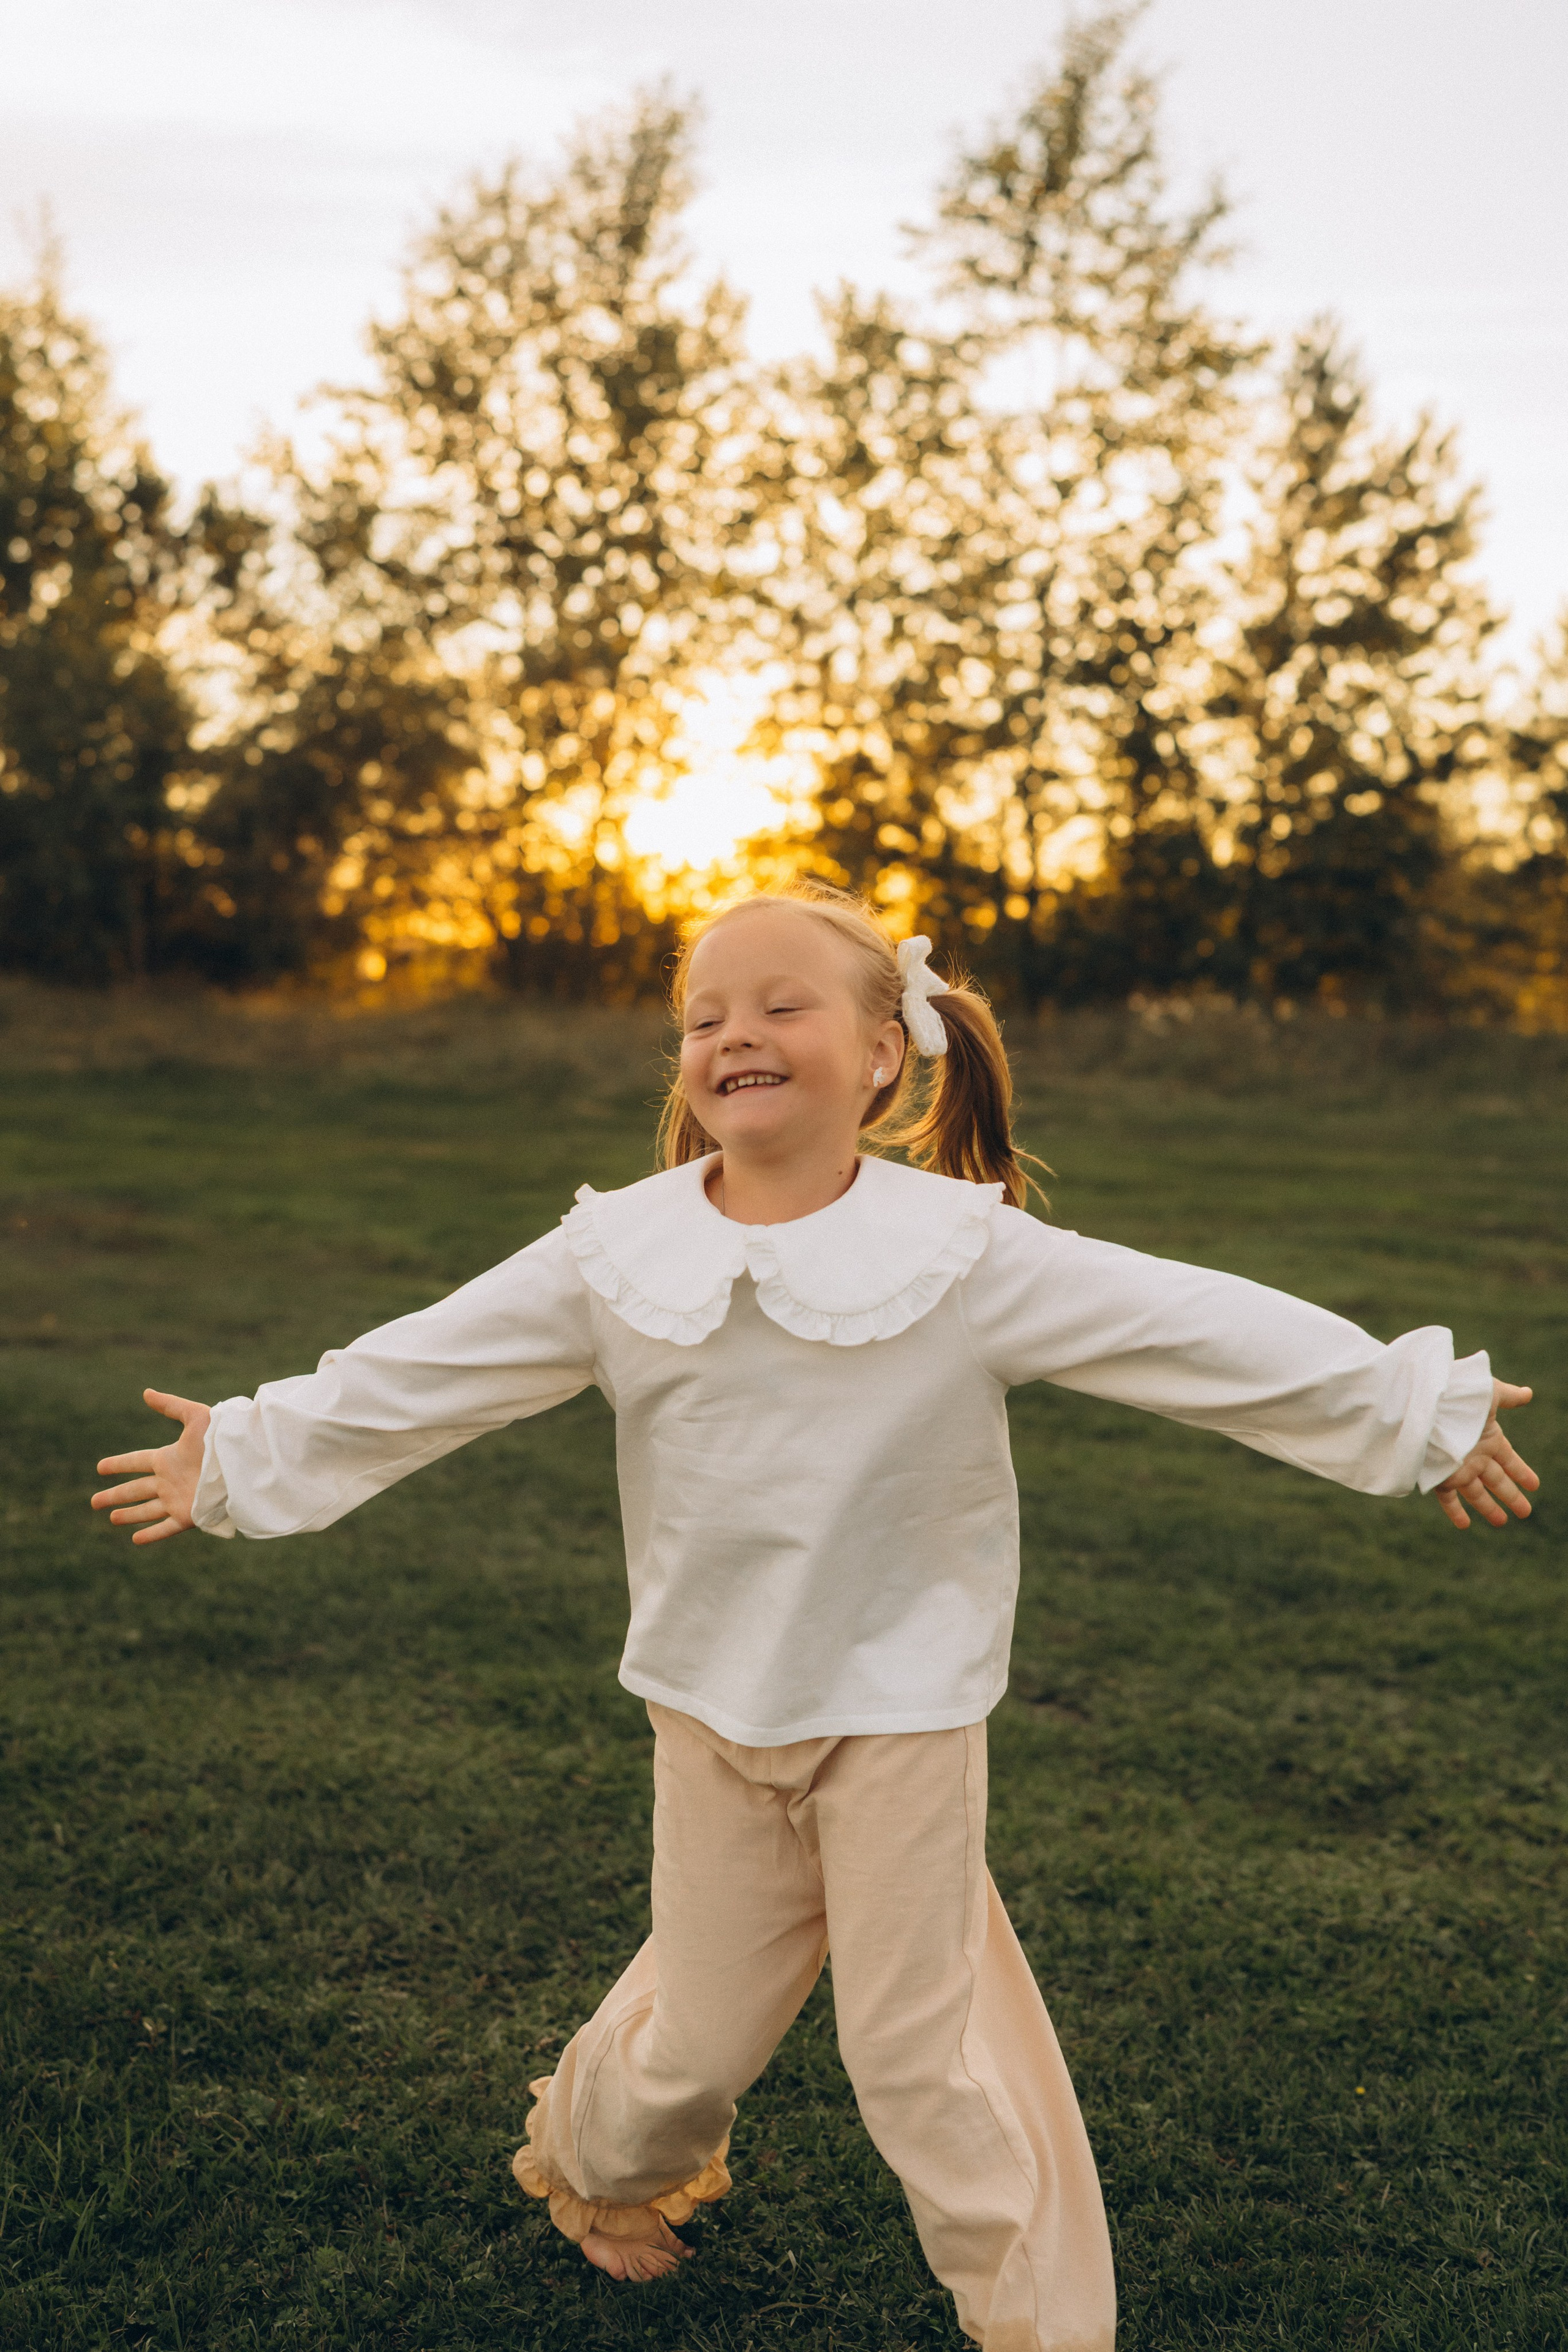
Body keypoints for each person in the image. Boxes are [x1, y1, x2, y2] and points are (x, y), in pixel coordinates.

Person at [91, 883, 1539, 2352]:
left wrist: (1410, 1408)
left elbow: (1186, 1325)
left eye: (781, 1005)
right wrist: (253, 1449)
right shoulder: (613, 1258)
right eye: (703, 1017)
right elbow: (427, 1368)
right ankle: (595, 2174)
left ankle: (1039, 2325)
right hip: (708, 1711)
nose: (735, 1035)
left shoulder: (964, 1255)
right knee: (696, 2047)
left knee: (924, 2062)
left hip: (900, 1717)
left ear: (884, 1054)